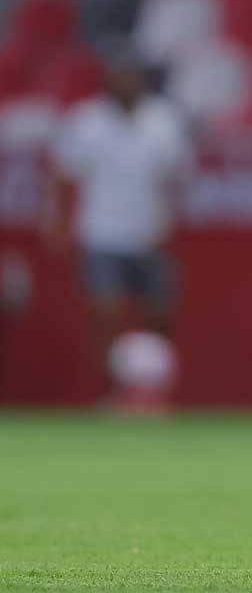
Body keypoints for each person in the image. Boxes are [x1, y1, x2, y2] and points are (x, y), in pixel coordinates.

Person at [44, 51, 192, 405]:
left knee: (160, 316)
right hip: (102, 234)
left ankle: (153, 389)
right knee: (107, 314)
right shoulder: (87, 121)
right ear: (108, 81)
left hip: (150, 236)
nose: (126, 83)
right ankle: (114, 390)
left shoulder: (164, 121)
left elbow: (179, 177)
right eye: (119, 76)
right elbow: (63, 176)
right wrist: (59, 221)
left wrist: (172, 220)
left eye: (132, 76)